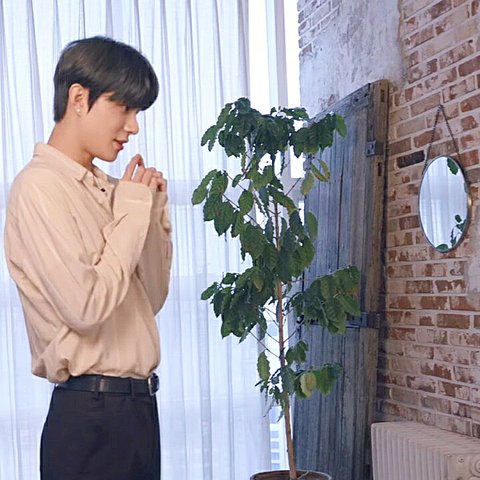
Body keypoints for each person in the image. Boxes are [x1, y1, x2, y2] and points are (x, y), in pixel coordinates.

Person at [4, 36, 172, 480]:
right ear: (79, 98)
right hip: (90, 416)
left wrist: (150, 213)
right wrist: (132, 213)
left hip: (139, 410)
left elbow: (151, 300)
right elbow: (85, 307)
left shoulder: (115, 192)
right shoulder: (38, 188)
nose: (133, 127)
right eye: (125, 108)